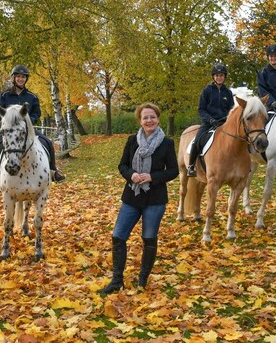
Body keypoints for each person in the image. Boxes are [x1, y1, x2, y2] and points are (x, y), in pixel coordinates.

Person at [99, 103, 178, 294]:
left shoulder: (166, 143)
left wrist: (153, 177)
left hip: (155, 199)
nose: (149, 120)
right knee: (118, 236)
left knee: (148, 239)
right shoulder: (132, 140)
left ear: (158, 119)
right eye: (145, 117)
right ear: (140, 121)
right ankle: (117, 281)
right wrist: (132, 175)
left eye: (152, 117)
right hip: (132, 197)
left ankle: (142, 280)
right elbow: (122, 165)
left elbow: (174, 171)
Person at [0, 65, 65, 189]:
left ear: (26, 79)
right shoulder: (4, 96)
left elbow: (37, 113)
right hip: (10, 130)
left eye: (23, 77)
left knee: (47, 141)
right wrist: (7, 123)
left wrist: (29, 122)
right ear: (14, 78)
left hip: (27, 129)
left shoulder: (32, 97)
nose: (21, 79)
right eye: (18, 77)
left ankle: (54, 171)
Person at [186, 64, 234, 177]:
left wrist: (227, 119)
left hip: (224, 123)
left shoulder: (228, 92)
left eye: (221, 75)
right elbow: (201, 109)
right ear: (213, 77)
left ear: (224, 77)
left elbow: (231, 109)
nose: (219, 77)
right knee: (197, 141)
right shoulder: (207, 91)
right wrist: (210, 119)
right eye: (217, 75)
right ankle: (191, 166)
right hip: (209, 123)